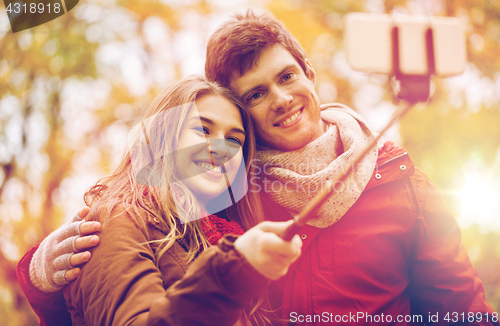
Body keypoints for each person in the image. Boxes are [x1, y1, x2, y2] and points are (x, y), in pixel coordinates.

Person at [19, 9, 497, 326]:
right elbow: (124, 282)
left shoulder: (401, 183)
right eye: (256, 94)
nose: (283, 99)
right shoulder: (221, 197)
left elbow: (462, 312)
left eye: (287, 76)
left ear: (309, 72)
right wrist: (42, 278)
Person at [17, 75, 302, 326]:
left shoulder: (227, 232)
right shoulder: (120, 217)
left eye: (234, 140)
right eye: (203, 130)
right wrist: (229, 273)